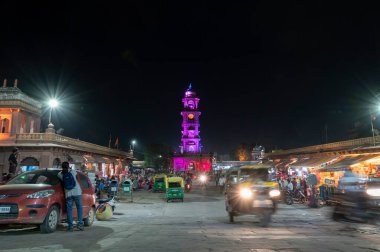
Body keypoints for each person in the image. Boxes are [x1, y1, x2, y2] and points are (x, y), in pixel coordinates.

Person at [58, 162, 84, 232]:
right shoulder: (73, 171)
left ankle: (70, 226)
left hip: (68, 194)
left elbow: (60, 175)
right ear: (68, 166)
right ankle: (80, 224)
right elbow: (75, 174)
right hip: (77, 192)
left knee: (69, 210)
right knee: (79, 208)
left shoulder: (60, 174)